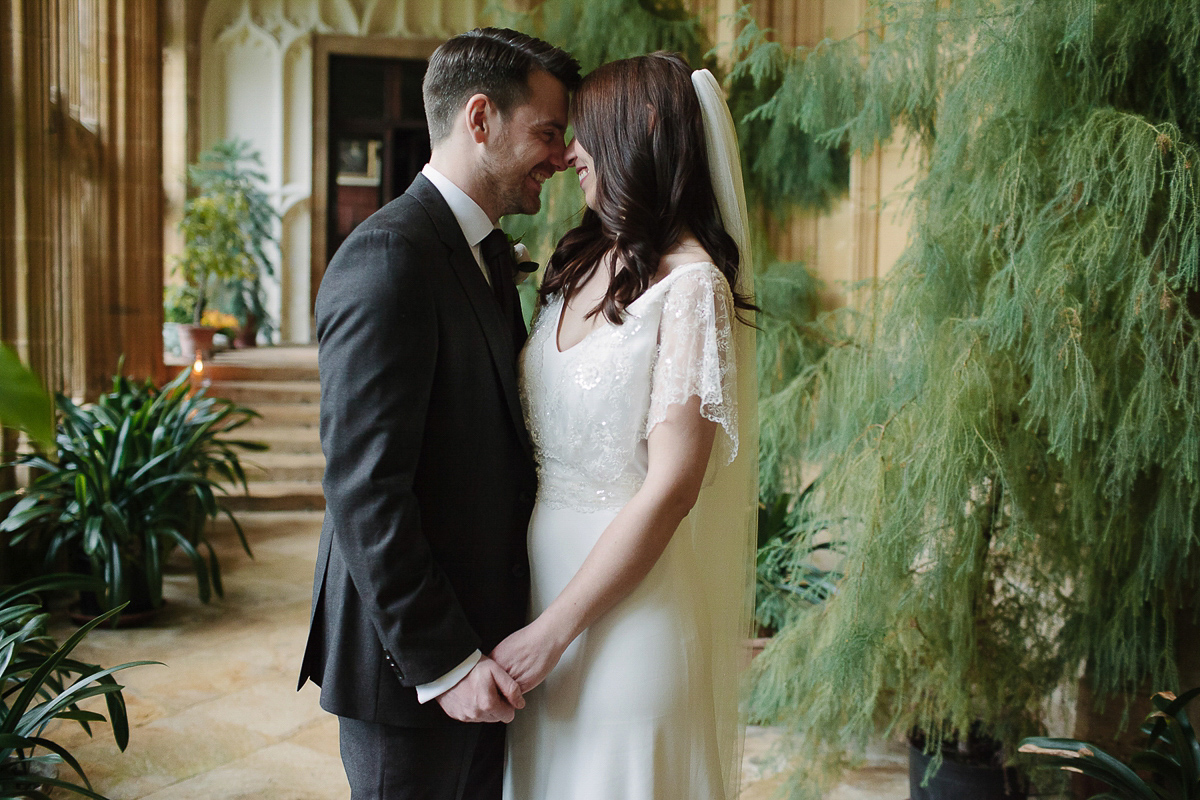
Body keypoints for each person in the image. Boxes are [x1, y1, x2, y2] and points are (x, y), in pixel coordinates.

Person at [297, 28, 580, 800]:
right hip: (411, 674)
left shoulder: (479, 254)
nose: (560, 157)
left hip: (481, 643)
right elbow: (365, 491)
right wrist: (445, 664)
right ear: (481, 118)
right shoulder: (390, 257)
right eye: (547, 133)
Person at [495, 53, 759, 800]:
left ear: (639, 130)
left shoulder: (692, 286)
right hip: (532, 593)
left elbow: (672, 488)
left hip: (627, 617)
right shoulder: (580, 262)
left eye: (588, 130)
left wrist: (556, 631)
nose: (571, 149)